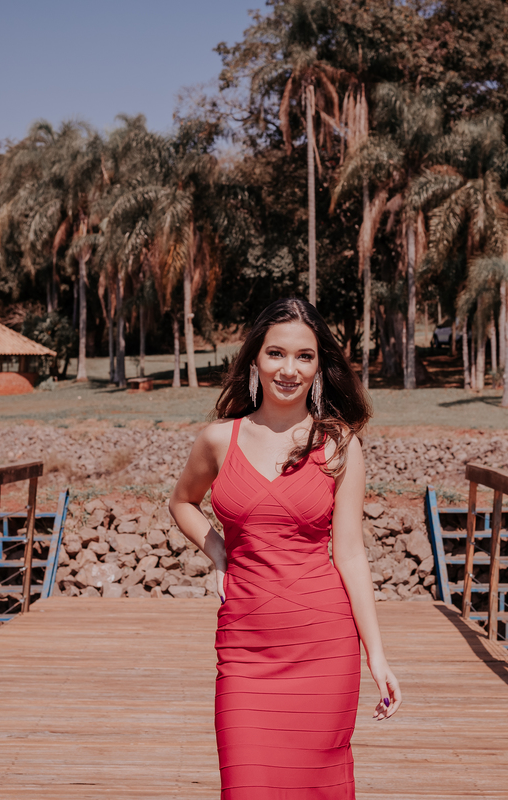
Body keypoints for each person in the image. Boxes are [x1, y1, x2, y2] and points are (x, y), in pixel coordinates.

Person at [169, 297, 401, 799]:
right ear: (255, 358)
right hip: (245, 647)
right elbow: (182, 502)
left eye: (304, 356)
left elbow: (350, 554)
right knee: (247, 786)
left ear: (319, 367)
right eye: (276, 353)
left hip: (323, 646)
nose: (289, 369)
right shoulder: (218, 439)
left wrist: (377, 656)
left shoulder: (339, 445)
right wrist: (218, 552)